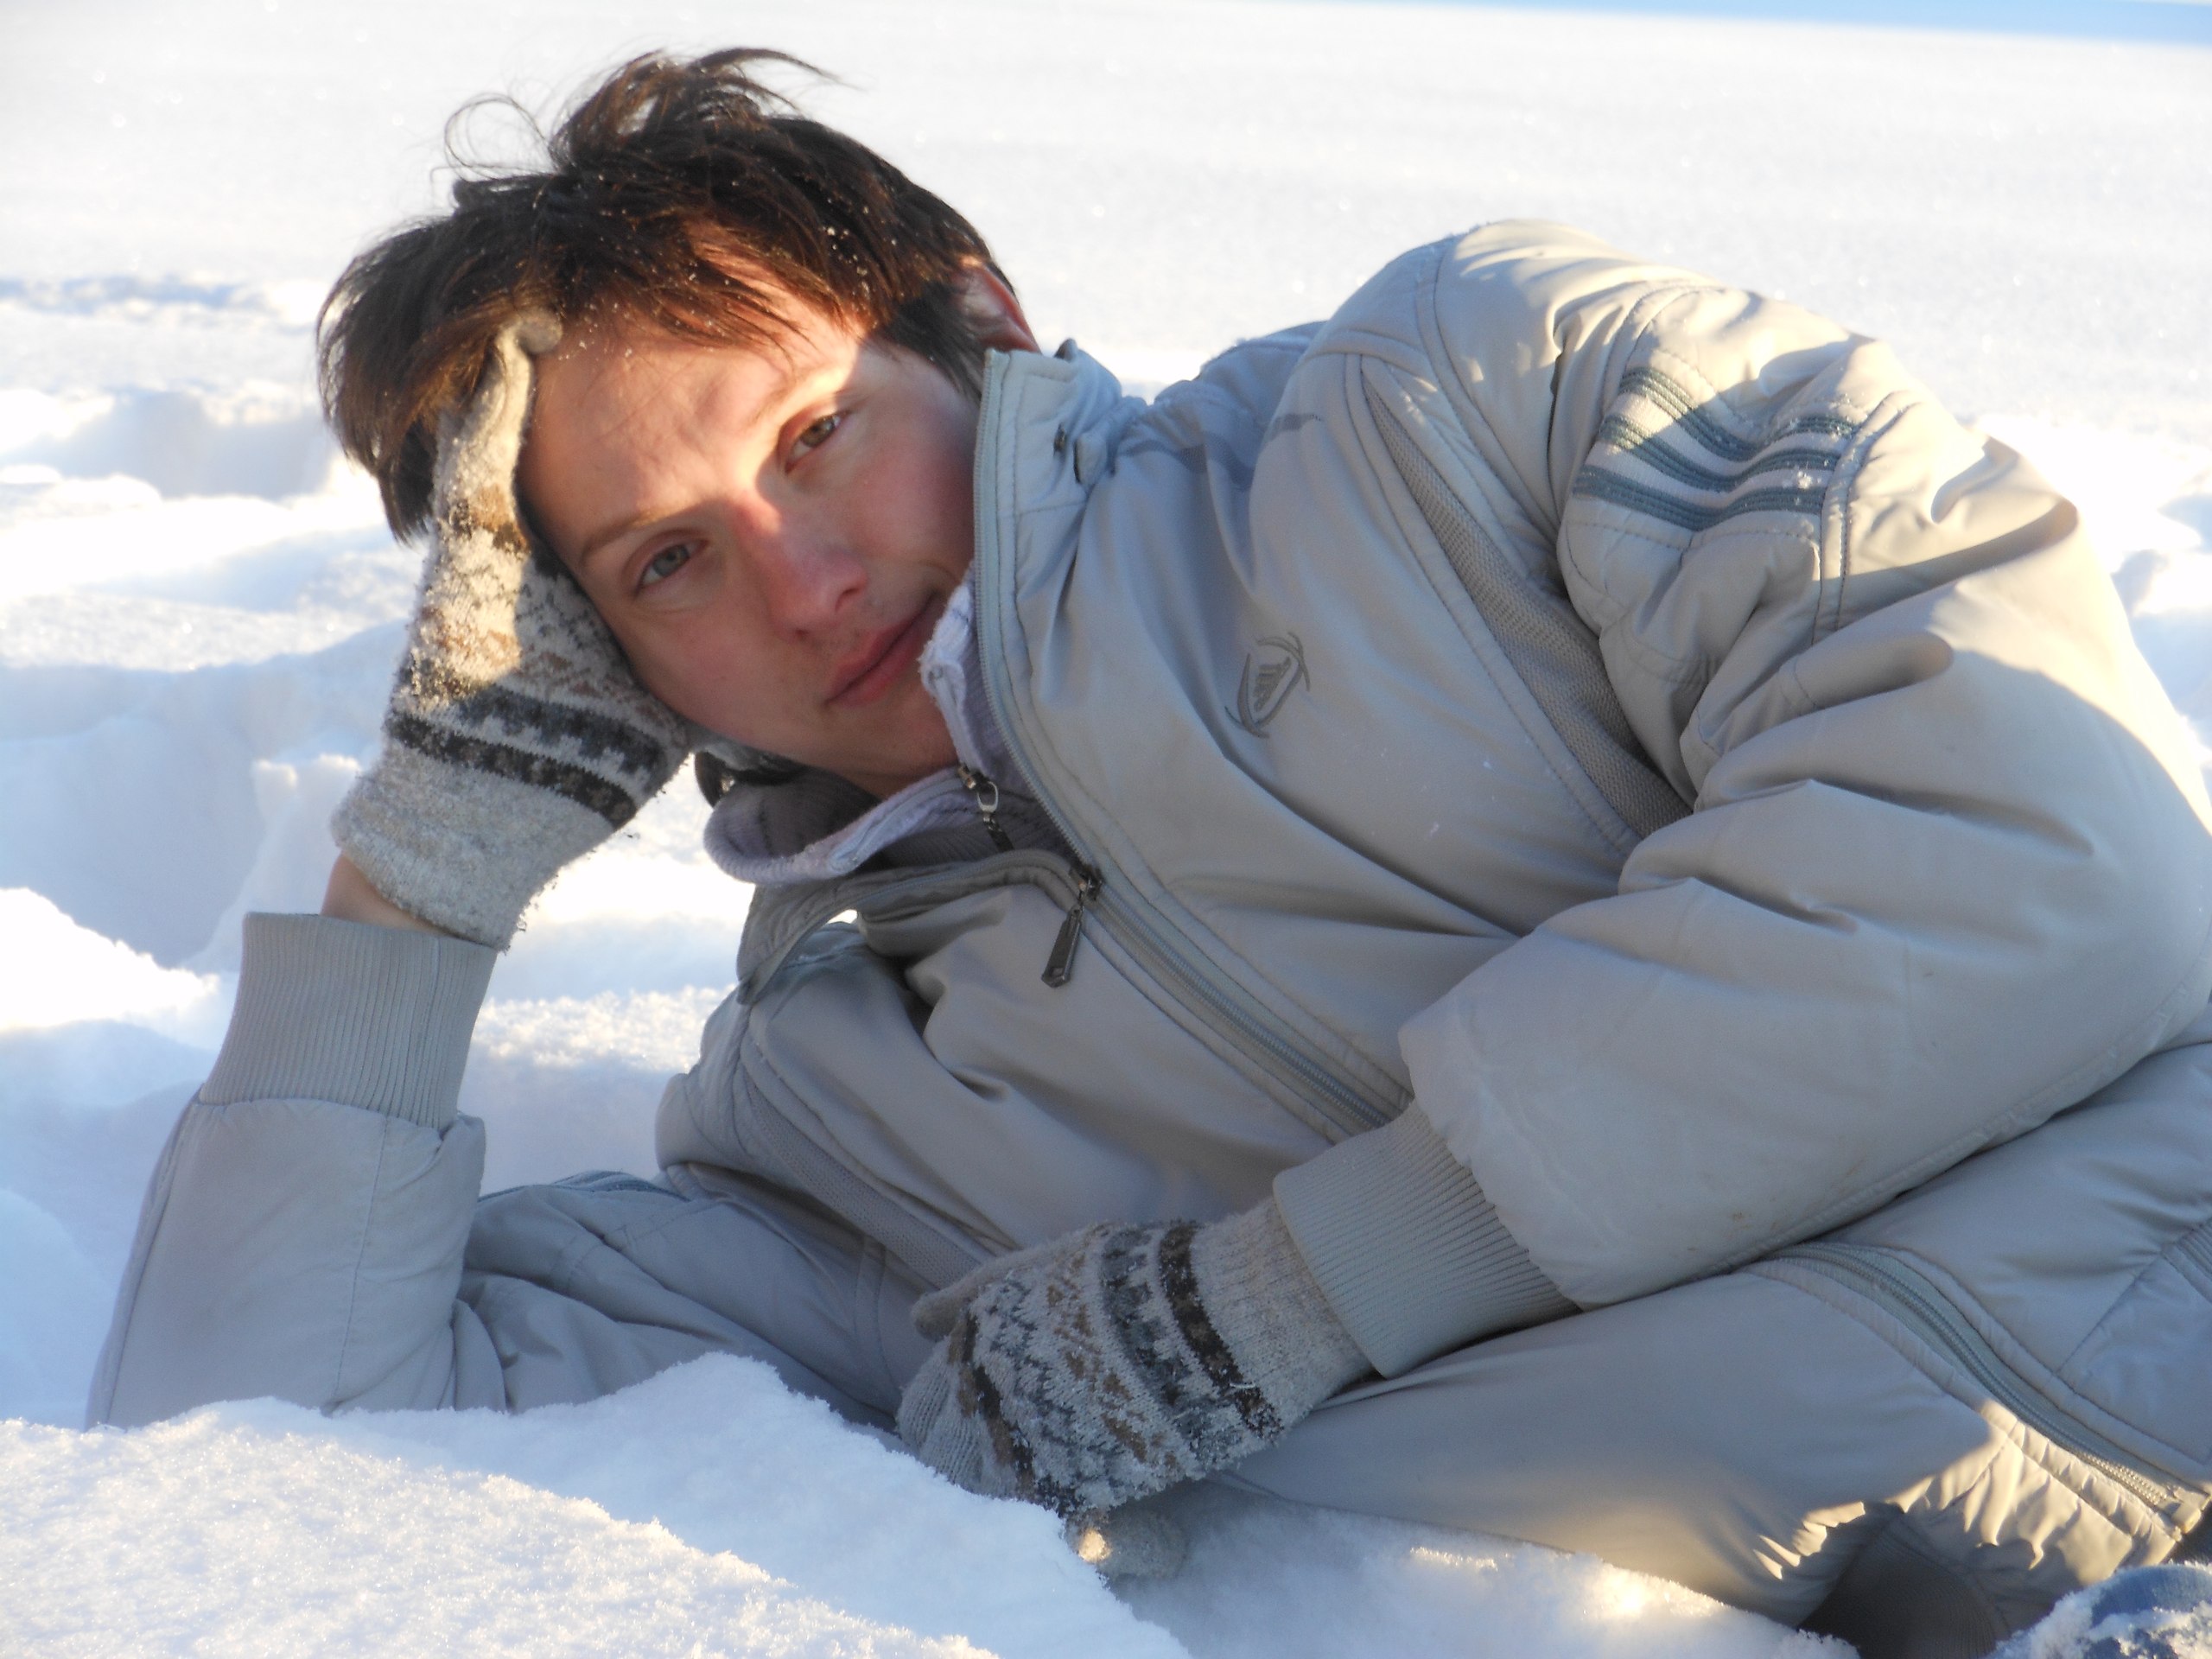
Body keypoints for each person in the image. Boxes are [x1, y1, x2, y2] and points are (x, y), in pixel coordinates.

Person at [86, 48, 2212, 1656]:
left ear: (978, 316)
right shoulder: (829, 1124)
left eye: (813, 435)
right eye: (665, 564)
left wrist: (1296, 1292)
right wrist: (417, 889)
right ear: (590, 666)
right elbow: (272, 1479)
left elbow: (2056, 850)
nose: (804, 582)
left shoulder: (1472, 406)